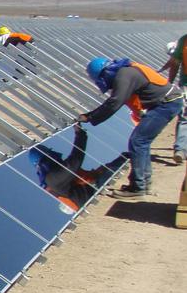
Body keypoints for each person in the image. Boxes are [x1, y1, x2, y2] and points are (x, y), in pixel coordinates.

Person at [78, 57, 183, 198]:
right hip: (167, 103)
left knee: (138, 141)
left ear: (104, 73)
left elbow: (115, 101)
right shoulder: (127, 72)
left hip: (165, 104)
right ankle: (143, 183)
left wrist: (90, 117)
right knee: (141, 142)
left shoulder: (124, 75)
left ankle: (138, 187)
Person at [29, 124, 128, 212]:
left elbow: (91, 176)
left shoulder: (55, 177)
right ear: (47, 159)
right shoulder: (52, 179)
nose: (55, 153)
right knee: (127, 165)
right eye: (50, 153)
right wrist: (80, 134)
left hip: (95, 189)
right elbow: (75, 160)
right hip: (94, 198)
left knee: (124, 159)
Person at [156, 36, 187, 164]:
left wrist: (169, 83)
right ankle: (180, 150)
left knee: (185, 118)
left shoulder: (184, 40)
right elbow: (175, 62)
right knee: (185, 117)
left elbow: (175, 63)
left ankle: (181, 149)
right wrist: (169, 84)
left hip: (185, 84)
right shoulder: (183, 40)